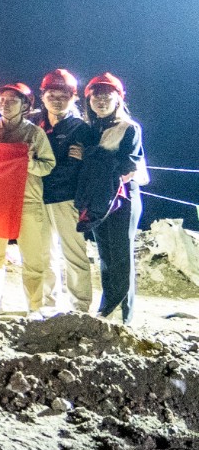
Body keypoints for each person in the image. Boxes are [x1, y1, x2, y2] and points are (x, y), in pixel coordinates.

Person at [0, 83, 56, 318]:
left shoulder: (35, 133)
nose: (6, 105)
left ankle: (34, 304)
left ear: (25, 105)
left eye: (12, 101)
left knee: (32, 257)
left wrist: (28, 163)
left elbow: (48, 165)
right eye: (2, 100)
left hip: (27, 200)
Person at [79, 73, 144, 323]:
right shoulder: (91, 129)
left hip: (122, 199)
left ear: (119, 99)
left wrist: (91, 156)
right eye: (96, 96)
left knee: (121, 254)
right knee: (105, 254)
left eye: (107, 96)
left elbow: (127, 167)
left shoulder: (129, 128)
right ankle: (108, 306)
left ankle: (123, 313)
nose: (101, 101)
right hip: (98, 199)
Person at [32, 68, 94, 313]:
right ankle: (48, 302)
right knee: (43, 252)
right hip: (38, 197)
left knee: (73, 252)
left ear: (73, 97)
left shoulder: (79, 128)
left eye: (63, 96)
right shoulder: (35, 124)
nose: (57, 100)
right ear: (43, 96)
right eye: (51, 95)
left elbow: (75, 167)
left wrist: (38, 168)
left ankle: (80, 305)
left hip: (66, 198)